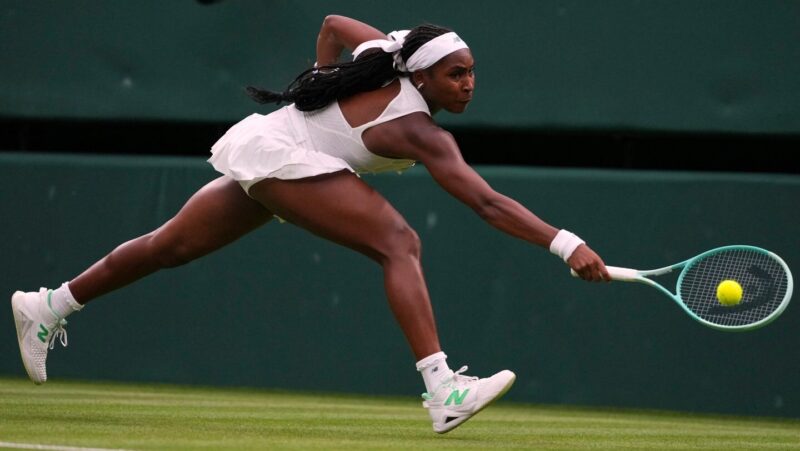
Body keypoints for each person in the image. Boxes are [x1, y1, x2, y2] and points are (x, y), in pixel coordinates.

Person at [11, 15, 610, 433]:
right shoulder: (419, 130)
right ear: (423, 77)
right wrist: (566, 244)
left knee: (170, 245)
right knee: (398, 243)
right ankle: (442, 389)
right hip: (285, 153)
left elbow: (332, 25)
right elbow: (487, 203)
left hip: (275, 145)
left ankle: (48, 305)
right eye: (457, 74)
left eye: (473, 72)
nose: (469, 83)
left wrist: (322, 80)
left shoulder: (383, 58)